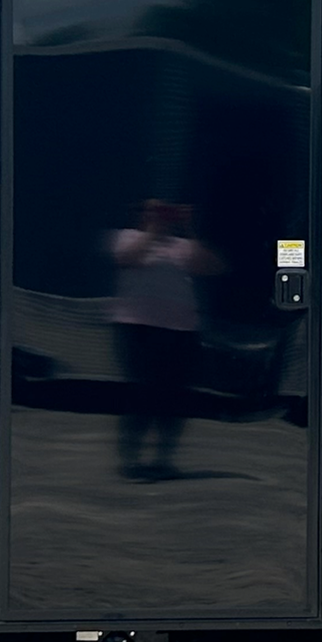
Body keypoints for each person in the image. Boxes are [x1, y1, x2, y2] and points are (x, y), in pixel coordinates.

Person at [107, 200, 218, 480]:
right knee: (143, 393)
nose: (161, 216)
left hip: (181, 332)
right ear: (141, 215)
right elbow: (128, 258)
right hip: (138, 329)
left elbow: (209, 266)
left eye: (165, 211)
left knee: (175, 395)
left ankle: (164, 458)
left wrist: (189, 228)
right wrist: (154, 230)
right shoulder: (128, 237)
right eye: (153, 211)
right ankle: (130, 460)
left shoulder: (181, 245)